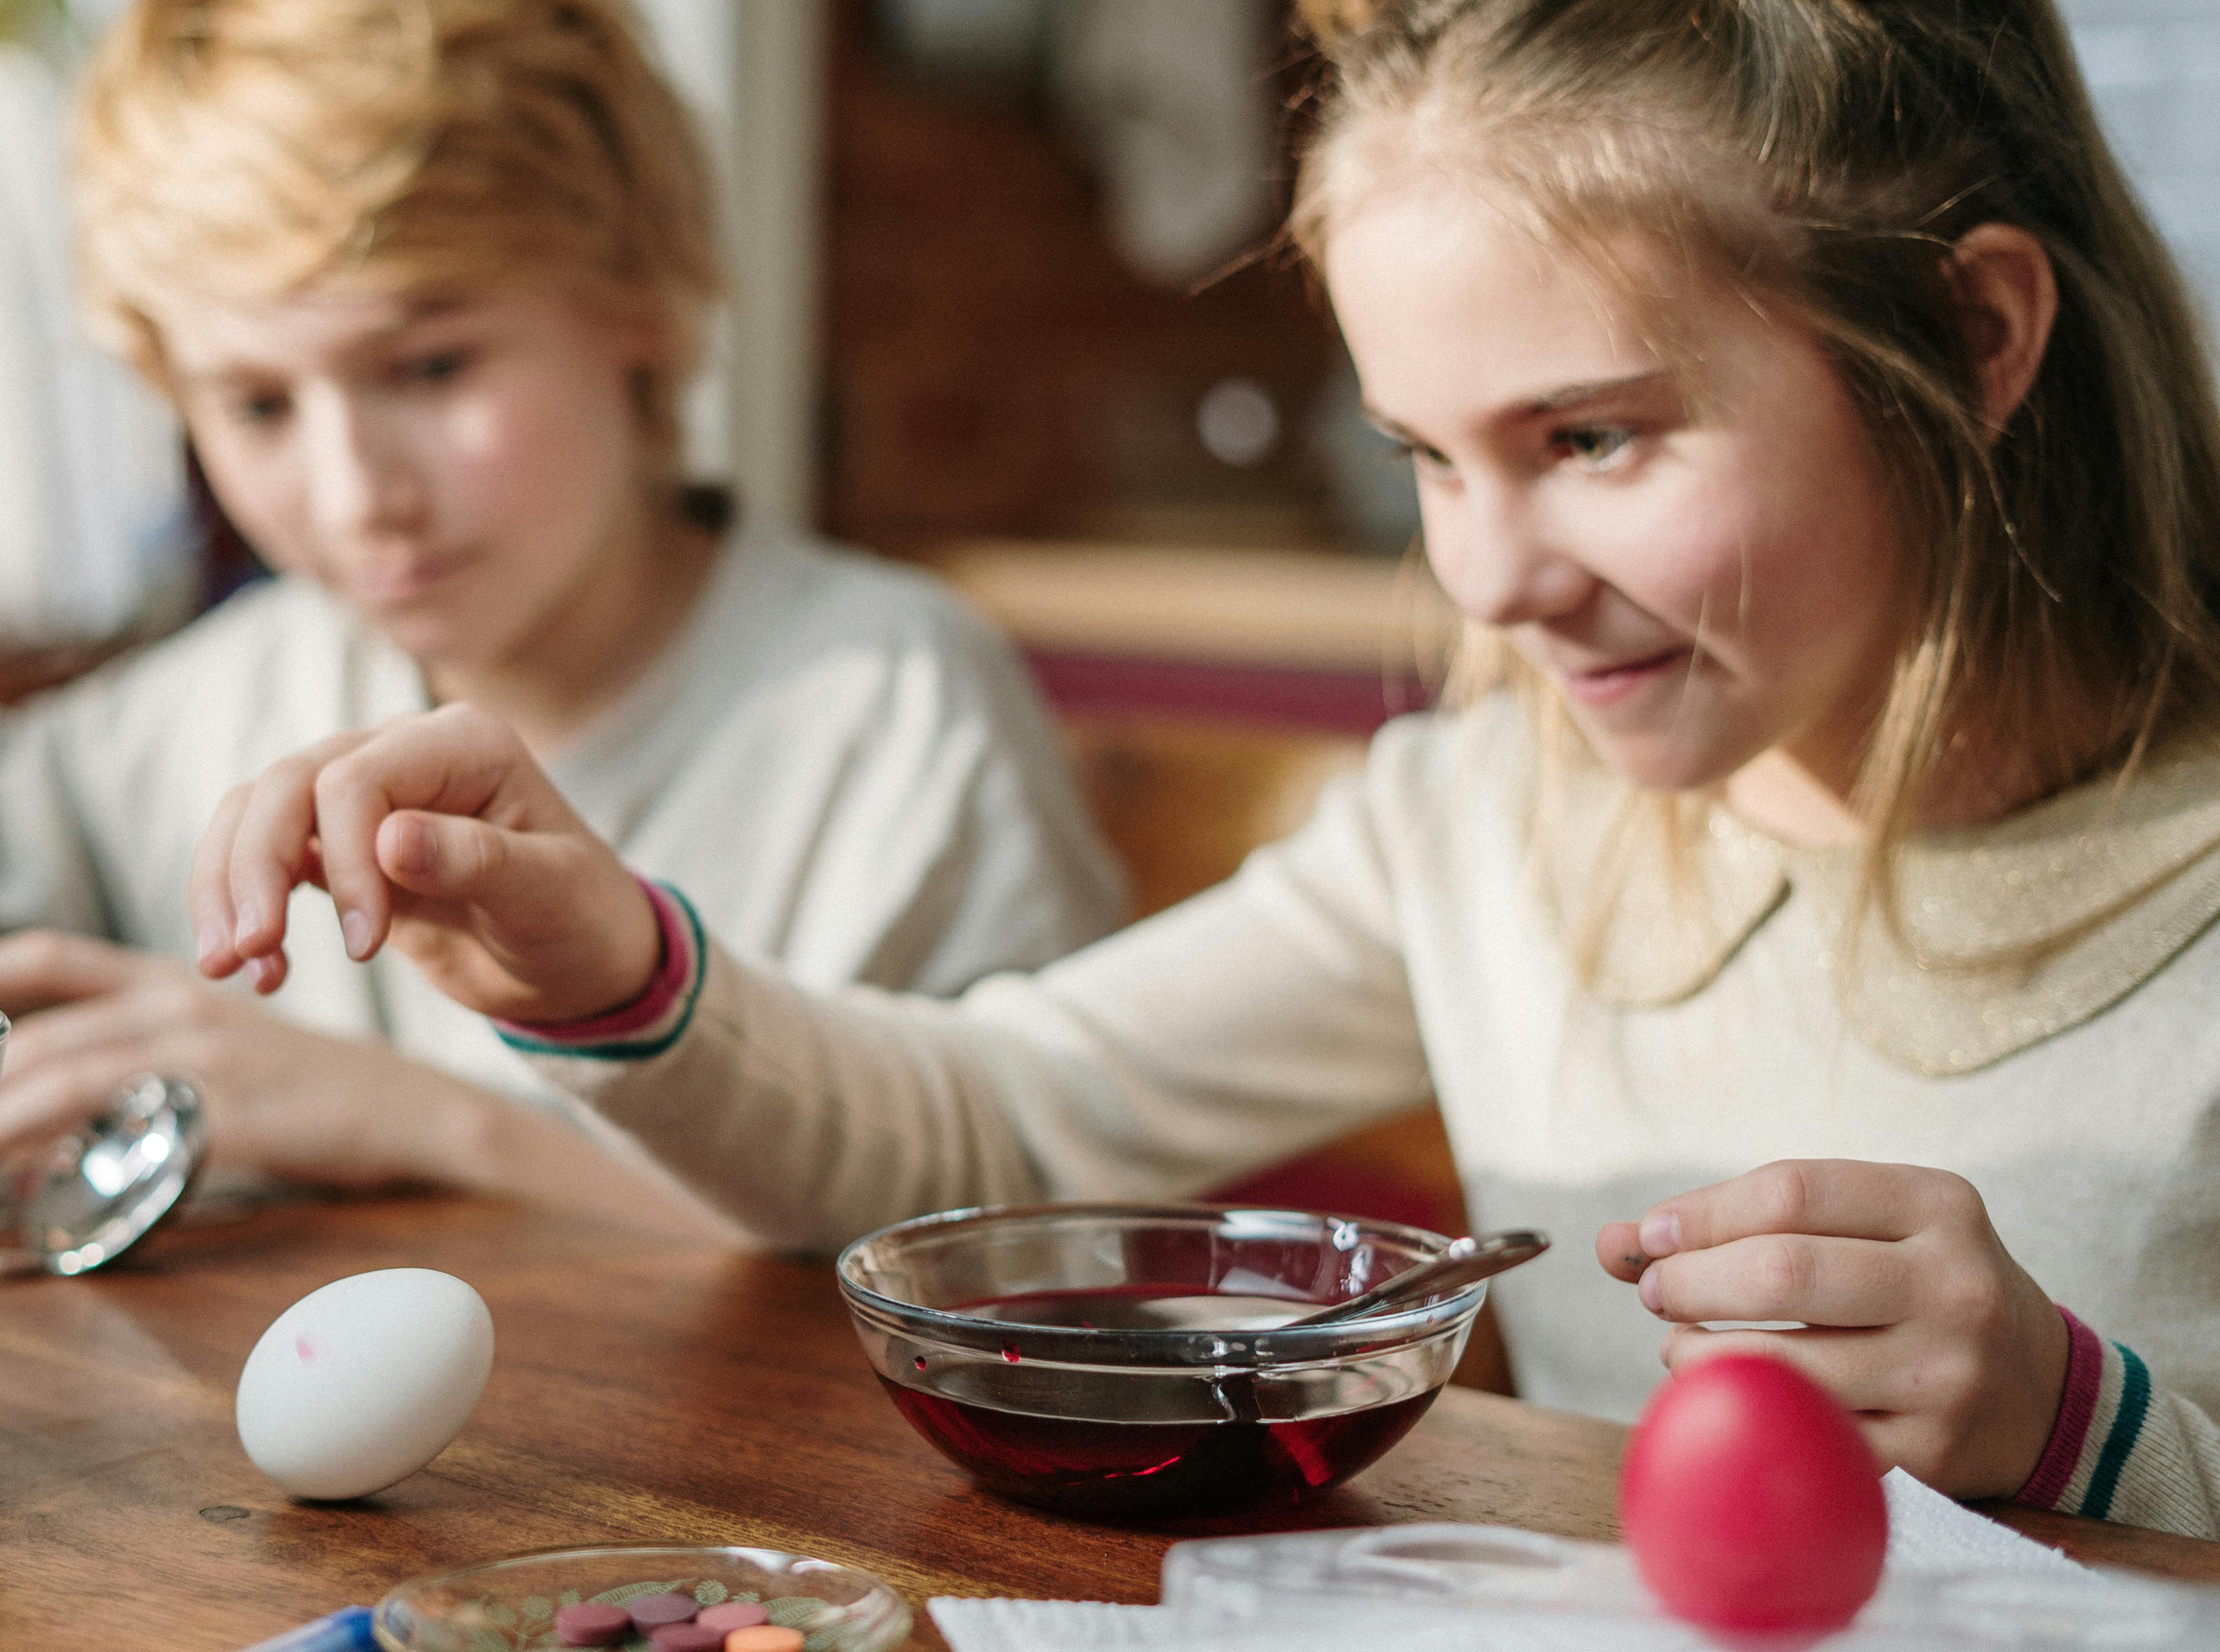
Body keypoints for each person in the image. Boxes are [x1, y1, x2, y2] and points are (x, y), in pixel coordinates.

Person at [196, 0, 2220, 1538]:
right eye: (1426, 457)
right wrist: (607, 968)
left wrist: (2088, 1428)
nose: (1487, 578)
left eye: (1588, 438)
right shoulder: (1481, 823)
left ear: (1967, 339)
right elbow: (997, 1126)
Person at [0, 0, 1121, 1212]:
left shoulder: (896, 716)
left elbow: (1010, 1275)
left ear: (634, 303)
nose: (355, 490)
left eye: (431, 367)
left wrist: (422, 1121)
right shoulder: (225, 697)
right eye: (254, 404)